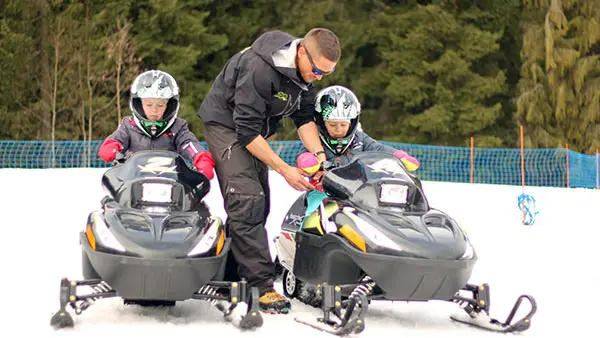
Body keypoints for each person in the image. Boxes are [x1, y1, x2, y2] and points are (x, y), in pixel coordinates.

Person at [196, 28, 341, 314]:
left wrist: (321, 158)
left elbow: (303, 118)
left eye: (327, 73)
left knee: (259, 204)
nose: (319, 77)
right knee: (247, 200)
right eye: (316, 70)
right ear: (301, 52)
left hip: (253, 131)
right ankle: (260, 286)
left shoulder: (304, 74)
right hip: (227, 127)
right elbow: (246, 131)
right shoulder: (259, 68)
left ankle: (226, 274)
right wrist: (285, 169)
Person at [98, 70, 215, 180]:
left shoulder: (178, 127)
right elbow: (118, 138)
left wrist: (202, 159)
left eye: (160, 105)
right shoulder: (128, 125)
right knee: (110, 200)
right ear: (139, 104)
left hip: (171, 185)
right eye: (149, 104)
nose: (154, 110)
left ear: (169, 106)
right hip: (133, 182)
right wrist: (111, 146)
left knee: (197, 201)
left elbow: (188, 144)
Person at [298, 85, 420, 187]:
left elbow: (378, 149)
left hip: (357, 191)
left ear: (352, 122)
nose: (338, 129)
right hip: (324, 189)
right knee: (310, 206)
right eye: (332, 124)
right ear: (321, 122)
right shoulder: (314, 140)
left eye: (343, 124)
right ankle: (298, 216)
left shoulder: (359, 138)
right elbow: (305, 154)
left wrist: (399, 156)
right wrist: (310, 163)